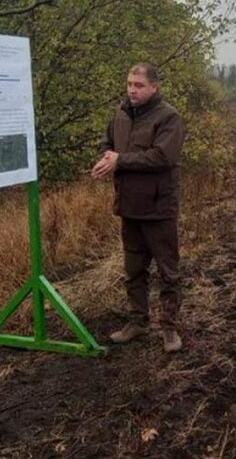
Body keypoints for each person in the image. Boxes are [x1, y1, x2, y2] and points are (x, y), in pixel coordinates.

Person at [92, 63, 186, 353]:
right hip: (129, 206)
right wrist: (105, 157)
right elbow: (107, 142)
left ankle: (169, 329)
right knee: (133, 270)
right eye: (130, 84)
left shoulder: (169, 118)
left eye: (139, 85)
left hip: (159, 208)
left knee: (168, 272)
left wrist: (120, 160)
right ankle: (138, 322)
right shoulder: (120, 114)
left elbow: (161, 157)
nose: (132, 89)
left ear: (154, 87)